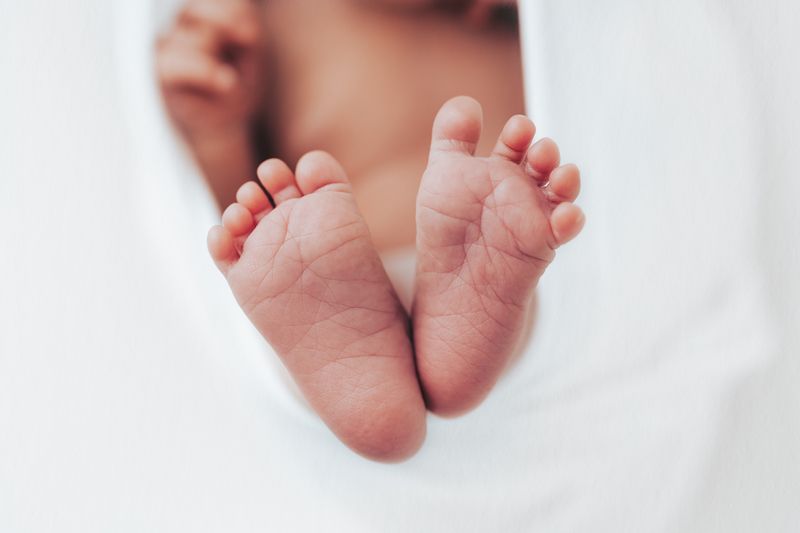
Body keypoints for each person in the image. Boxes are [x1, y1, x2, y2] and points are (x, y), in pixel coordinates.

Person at [157, 0, 584, 461]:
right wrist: (218, 126)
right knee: (277, 253)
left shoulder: (516, 19)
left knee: (531, 286)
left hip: (501, 246)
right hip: (342, 272)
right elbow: (239, 198)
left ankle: (454, 342)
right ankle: (351, 369)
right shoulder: (268, 20)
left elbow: (597, 47)